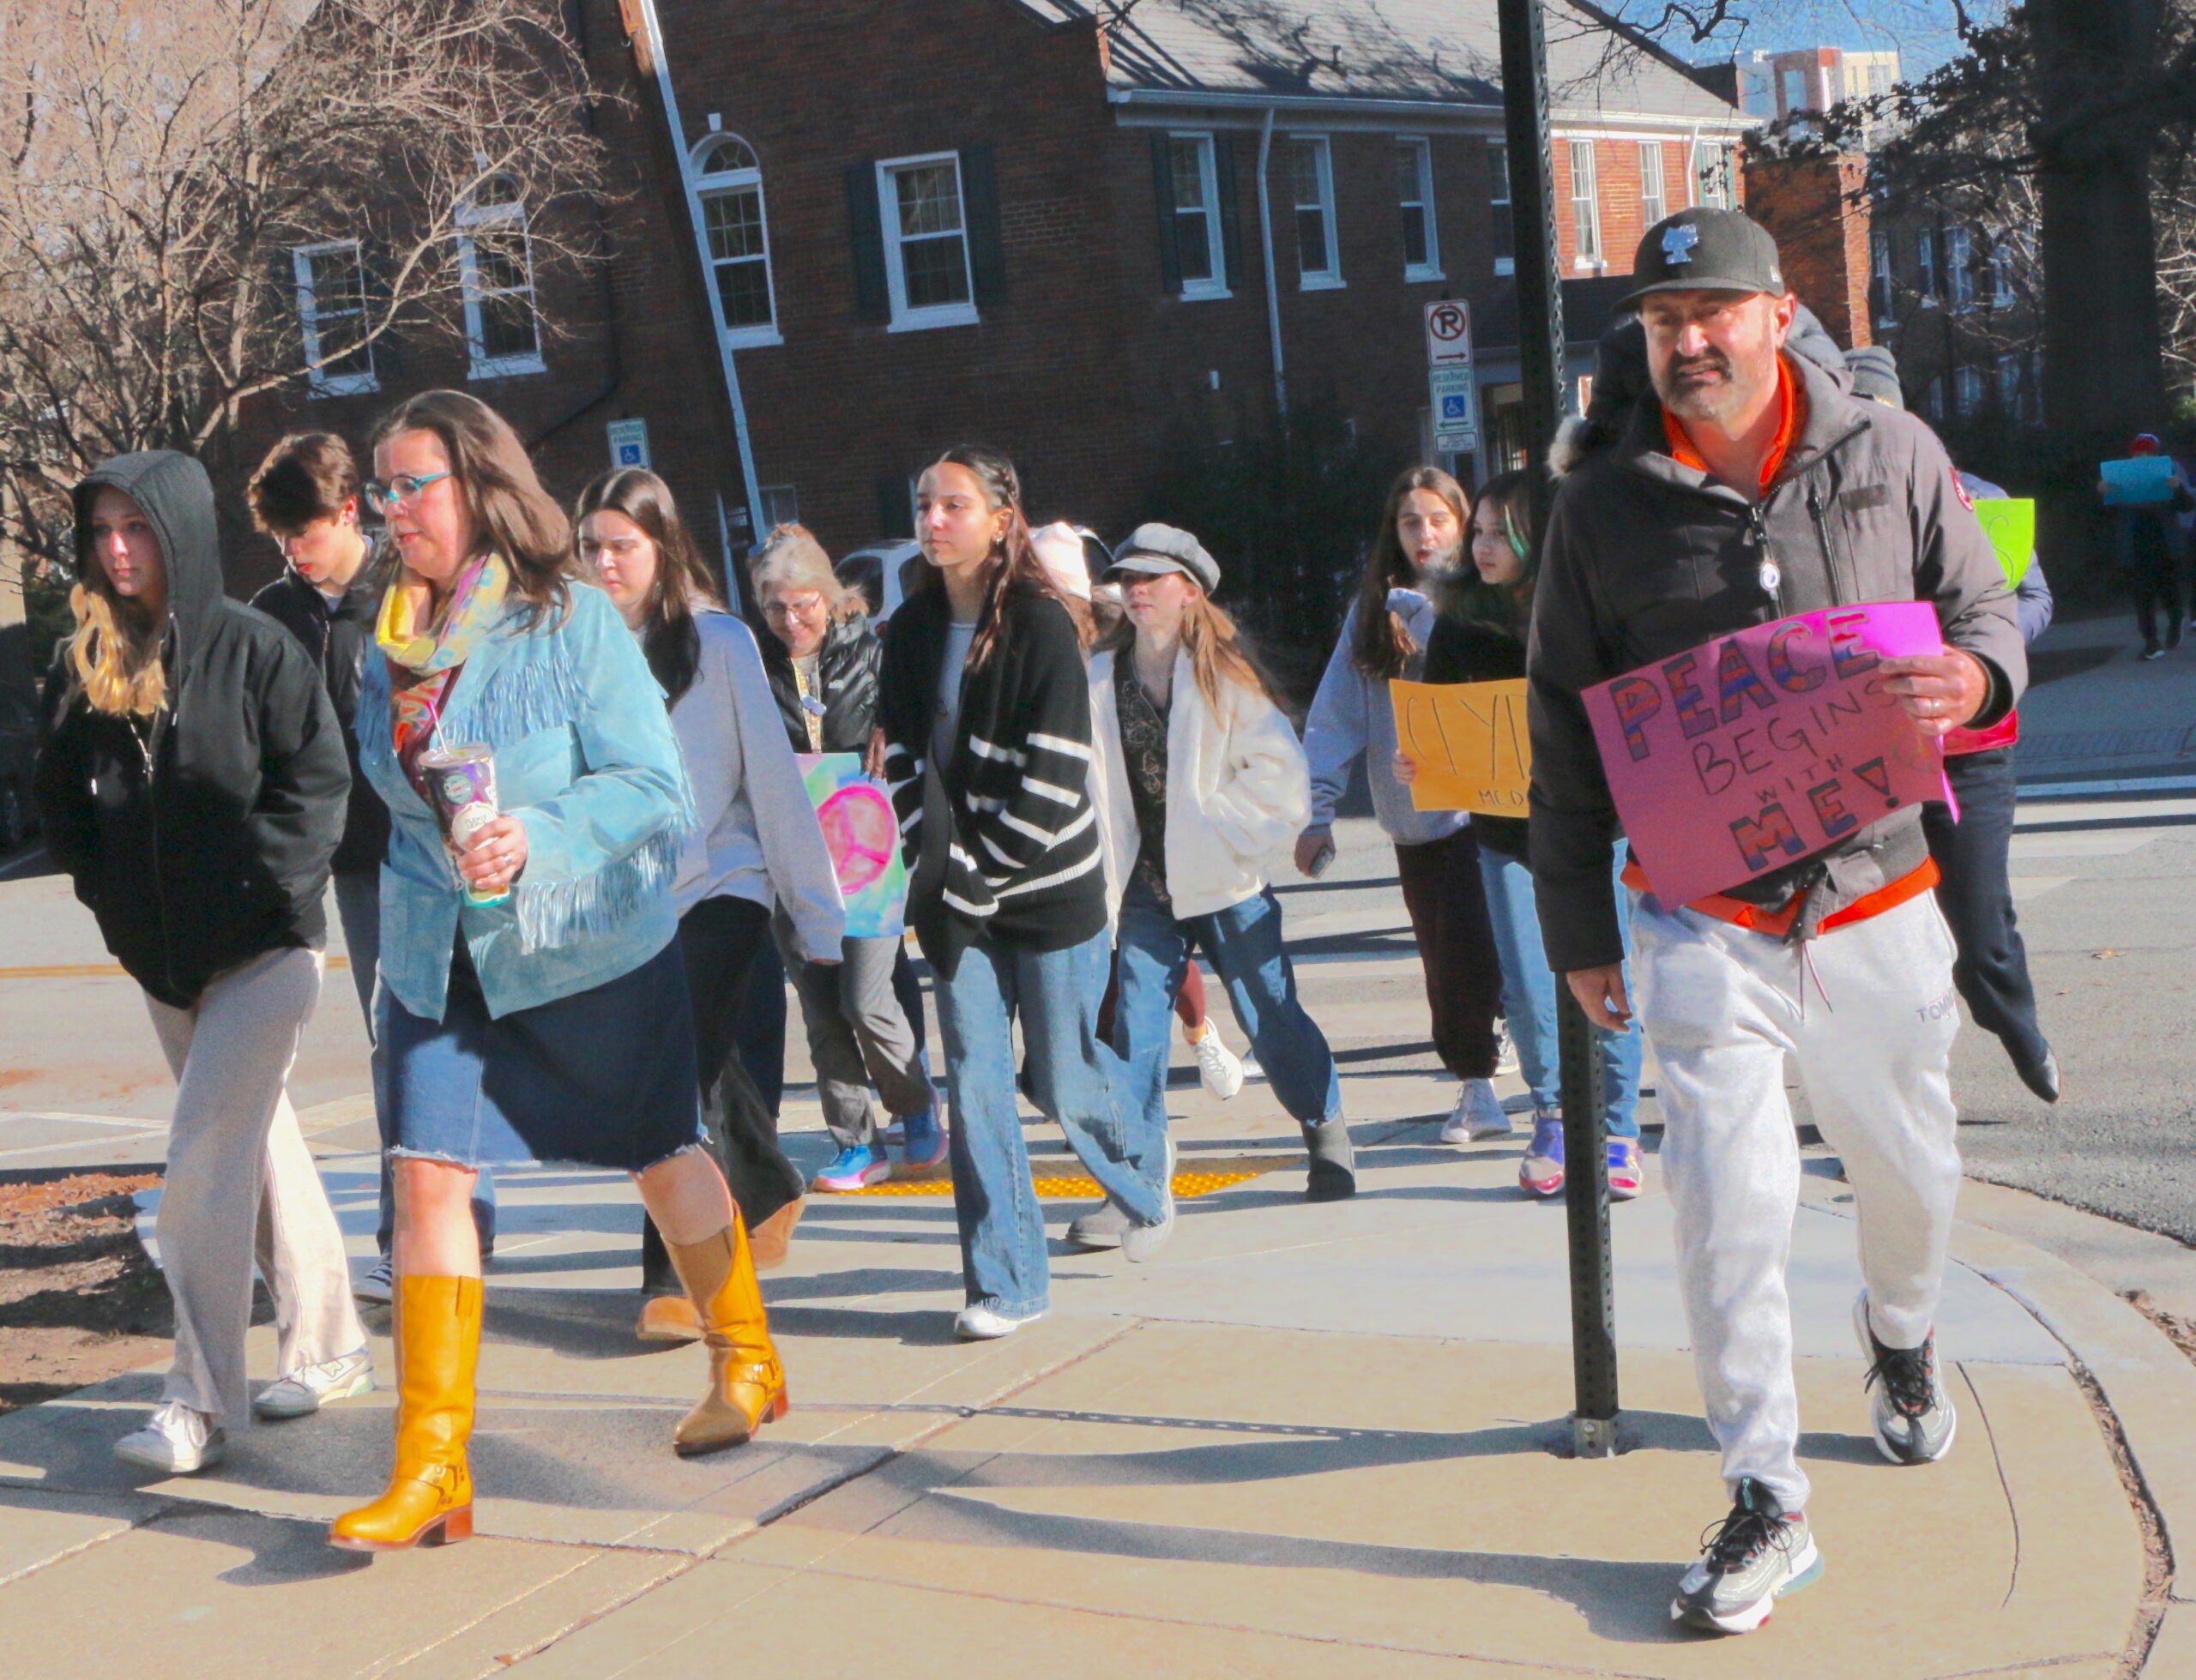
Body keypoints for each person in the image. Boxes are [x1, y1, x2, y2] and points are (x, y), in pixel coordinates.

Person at [1529, 208, 2026, 1635]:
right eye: (1664, 317)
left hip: (1875, 893)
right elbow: (1562, 723)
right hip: (1705, 918)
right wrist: (1579, 926)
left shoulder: (1893, 452)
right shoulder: (1603, 507)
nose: (1690, 340)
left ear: (1775, 311)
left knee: (1909, 1170)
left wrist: (1974, 686)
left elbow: (1984, 611)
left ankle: (1903, 1328)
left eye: (1714, 312)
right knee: (1724, 1209)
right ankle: (1767, 1494)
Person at [329, 392, 787, 1553]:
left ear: (480, 488)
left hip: (583, 951)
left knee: (662, 1154)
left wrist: (537, 836)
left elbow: (655, 790)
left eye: (411, 484)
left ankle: (748, 1355)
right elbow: (392, 802)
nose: (393, 510)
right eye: (380, 489)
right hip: (441, 959)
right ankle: (434, 1464)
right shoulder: (378, 638)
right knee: (426, 1177)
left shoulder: (570, 619)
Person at [35, 449, 371, 1473]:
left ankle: (196, 1400)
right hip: (165, 962)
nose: (118, 549)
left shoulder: (256, 649)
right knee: (256, 1144)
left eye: (135, 529)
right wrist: (116, 910)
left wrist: (262, 891)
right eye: (102, 533)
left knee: (203, 1169)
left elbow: (317, 785)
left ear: (178, 532)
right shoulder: (84, 662)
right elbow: (59, 808)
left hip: (265, 949)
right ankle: (331, 1344)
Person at [878, 445, 1172, 1341]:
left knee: (1065, 1078)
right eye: (924, 504)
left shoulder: (1043, 624)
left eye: (953, 505)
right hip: (953, 897)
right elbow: (897, 757)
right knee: (973, 1083)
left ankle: (1143, 1168)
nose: (933, 521)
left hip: (1047, 891)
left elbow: (1054, 776)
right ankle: (1007, 1281)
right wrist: (929, 862)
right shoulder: (911, 628)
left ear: (1002, 519)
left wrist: (977, 872)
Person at [579, 471, 843, 1340]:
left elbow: (772, 780)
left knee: (673, 1074)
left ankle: (670, 1281)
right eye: (594, 548)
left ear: (663, 546)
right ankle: (766, 1182)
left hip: (723, 885)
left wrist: (815, 911)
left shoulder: (721, 641)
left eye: (624, 546)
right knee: (683, 1067)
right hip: (629, 901)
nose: (607, 563)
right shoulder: (574, 651)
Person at [246, 432, 497, 1304]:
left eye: (303, 531)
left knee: (439, 1029)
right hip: (349, 861)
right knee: (396, 1038)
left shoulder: (406, 589)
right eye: (278, 535)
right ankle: (427, 1227)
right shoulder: (274, 613)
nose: (291, 550)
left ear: (348, 511)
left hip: (430, 843)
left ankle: (446, 1219)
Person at [1393, 471, 1645, 1198]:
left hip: (1597, 827)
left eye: (1501, 531)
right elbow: (1438, 718)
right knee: (1533, 987)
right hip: (1505, 829)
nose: (1483, 544)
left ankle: (1619, 1127)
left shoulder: (1588, 607)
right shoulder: (1462, 618)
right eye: (1478, 531)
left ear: (1541, 536)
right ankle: (1556, 1115)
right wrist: (1422, 755)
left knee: (1614, 975)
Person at [1089, 524, 1353, 1211]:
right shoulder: (1100, 674)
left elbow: (1282, 779)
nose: (1136, 590)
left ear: (1190, 590)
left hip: (1226, 883)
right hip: (1143, 889)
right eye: (1127, 579)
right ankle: (1136, 1176)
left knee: (1270, 1014)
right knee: (1133, 1031)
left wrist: (1215, 830)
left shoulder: (1223, 673)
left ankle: (1325, 1129)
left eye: (1152, 578)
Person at [1847, 349, 2061, 1103]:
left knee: (1979, 927)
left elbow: (2033, 600)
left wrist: (1973, 658)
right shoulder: (1822, 513)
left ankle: (2016, 1021)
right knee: (1883, 947)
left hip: (1972, 753)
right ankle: (1897, 1103)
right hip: (1871, 757)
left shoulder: (1975, 498)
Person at [1300, 467, 1509, 1144]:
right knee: (1448, 960)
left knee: (1498, 953)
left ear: (1462, 520)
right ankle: (1478, 1081)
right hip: (1420, 821)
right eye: (1410, 521)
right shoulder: (1375, 612)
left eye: (1438, 519)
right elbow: (1336, 713)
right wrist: (1318, 810)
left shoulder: (1485, 596)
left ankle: (1514, 1084)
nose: (1425, 534)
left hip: (1493, 812)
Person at [747, 522, 946, 1190]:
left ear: (830, 598)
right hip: (792, 848)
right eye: (776, 606)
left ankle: (916, 1103)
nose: (791, 619)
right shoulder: (752, 664)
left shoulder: (872, 652)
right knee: (820, 1004)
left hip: (864, 841)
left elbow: (921, 712)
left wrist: (892, 726)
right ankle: (856, 1141)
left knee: (867, 997)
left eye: (803, 602)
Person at [1035, 520, 1246, 1101]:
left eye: (1048, 587)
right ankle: (1111, 1101)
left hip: (1154, 831)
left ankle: (1201, 1032)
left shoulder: (1121, 636)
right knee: (1111, 971)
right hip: (1069, 824)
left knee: (1152, 960)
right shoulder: (1028, 640)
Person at [2101, 433, 2193, 659]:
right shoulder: (2122, 478)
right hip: (2135, 545)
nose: (2142, 458)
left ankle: (2175, 619)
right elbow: (2105, 514)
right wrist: (2104, 492)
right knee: (2143, 595)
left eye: (2147, 454)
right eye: (2138, 454)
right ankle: (2151, 642)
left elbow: (2186, 506)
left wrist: (2177, 488)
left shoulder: (2167, 473)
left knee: (2168, 589)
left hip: (2164, 544)